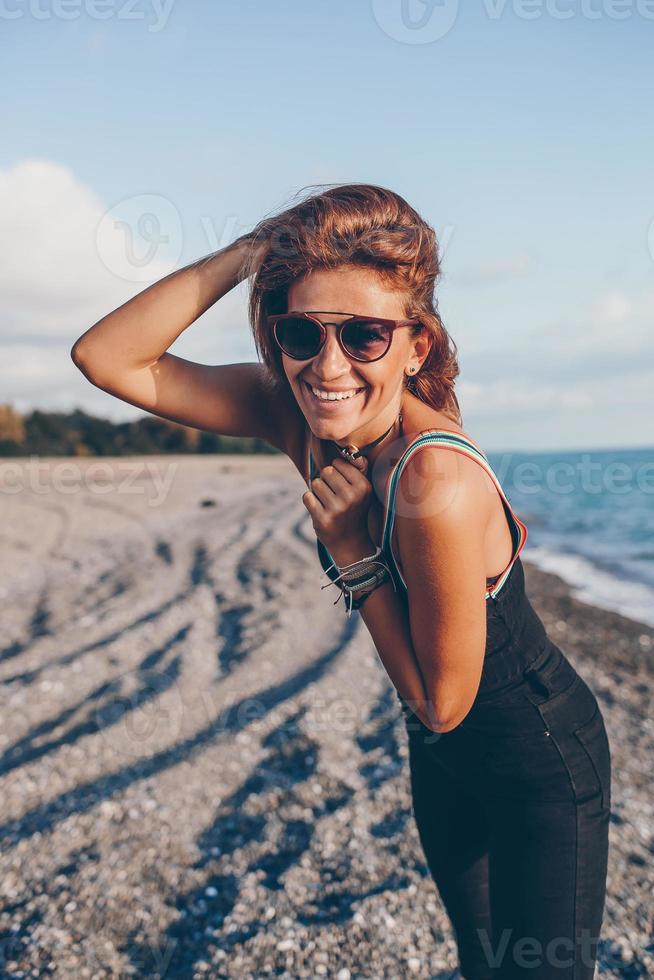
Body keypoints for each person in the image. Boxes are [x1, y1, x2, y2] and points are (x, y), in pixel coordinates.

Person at [71, 183, 611, 979]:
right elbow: (106, 357)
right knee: (481, 963)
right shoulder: (296, 407)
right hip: (442, 755)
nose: (329, 366)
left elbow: (442, 699)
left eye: (364, 335)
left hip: (540, 765)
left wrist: (355, 554)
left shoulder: (435, 486)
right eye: (302, 333)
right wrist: (256, 251)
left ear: (415, 345)